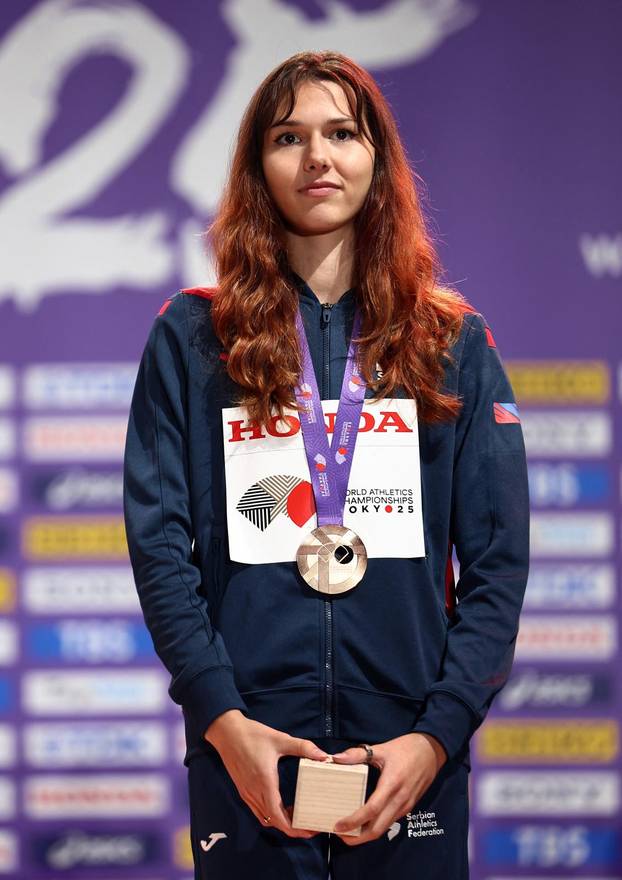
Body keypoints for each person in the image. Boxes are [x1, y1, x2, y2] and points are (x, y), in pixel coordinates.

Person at [123, 50, 529, 880]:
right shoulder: (194, 339)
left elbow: (496, 566)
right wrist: (222, 721)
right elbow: (161, 550)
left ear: (376, 158)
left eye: (341, 132)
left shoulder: (452, 342)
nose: (317, 157)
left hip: (408, 761)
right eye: (288, 136)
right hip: (250, 756)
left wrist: (437, 734)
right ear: (256, 167)